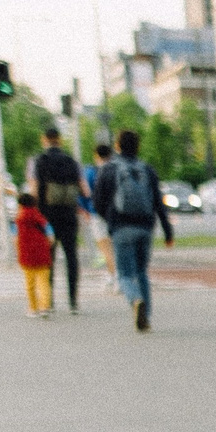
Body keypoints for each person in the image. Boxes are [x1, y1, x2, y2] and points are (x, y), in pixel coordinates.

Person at [93, 128, 175, 332]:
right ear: (138, 147)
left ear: (117, 146)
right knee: (141, 272)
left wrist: (110, 218)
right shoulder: (146, 169)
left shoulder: (109, 169)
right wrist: (167, 231)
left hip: (121, 227)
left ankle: (136, 300)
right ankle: (145, 317)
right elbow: (158, 201)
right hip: (145, 227)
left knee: (125, 275)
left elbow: (97, 201)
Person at [27, 126, 87, 314]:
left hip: (47, 216)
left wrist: (34, 211)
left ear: (44, 139)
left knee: (49, 258)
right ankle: (73, 302)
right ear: (59, 140)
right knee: (71, 256)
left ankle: (49, 301)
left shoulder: (39, 161)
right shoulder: (72, 161)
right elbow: (85, 190)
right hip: (69, 214)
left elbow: (34, 191)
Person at [15, 191, 55, 317]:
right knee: (44, 282)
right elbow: (50, 236)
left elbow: (15, 238)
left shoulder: (18, 220)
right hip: (42, 254)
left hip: (26, 255)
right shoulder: (40, 218)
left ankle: (33, 309)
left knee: (30, 284)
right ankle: (45, 307)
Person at [88, 140, 120, 291]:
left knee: (106, 248)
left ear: (96, 155)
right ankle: (114, 274)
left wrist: (85, 209)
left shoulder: (92, 172)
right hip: (116, 213)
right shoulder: (118, 169)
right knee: (115, 246)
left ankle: (116, 277)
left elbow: (85, 193)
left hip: (97, 214)